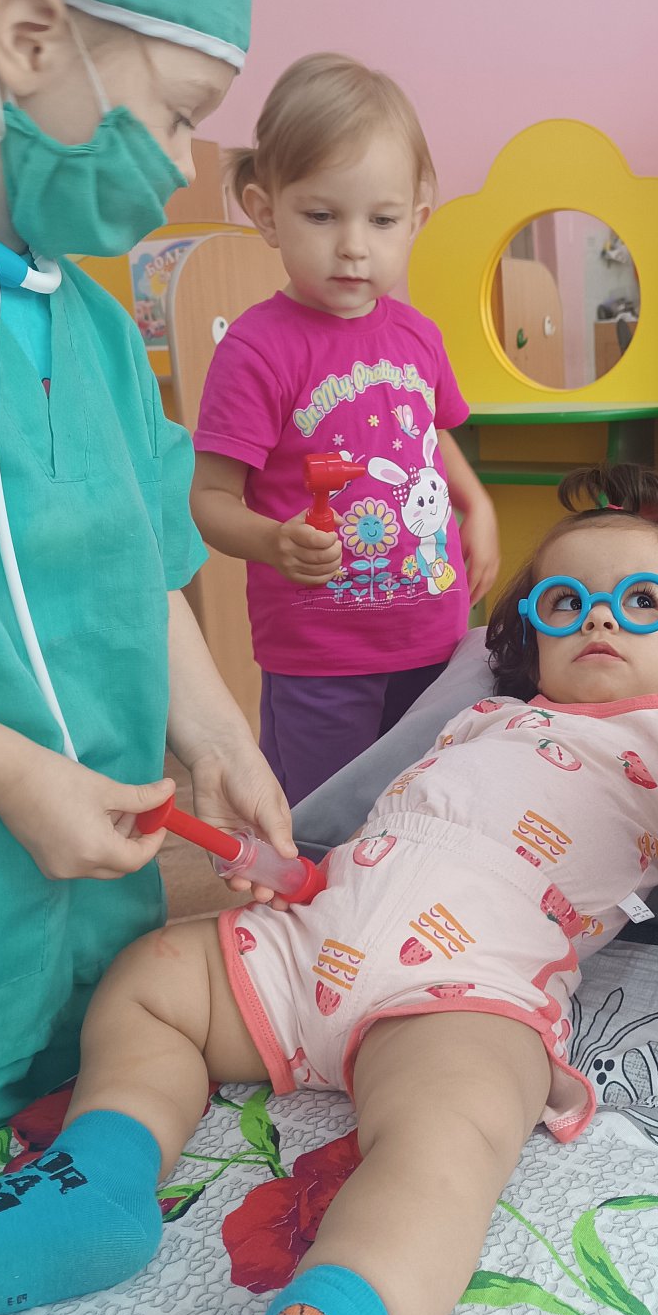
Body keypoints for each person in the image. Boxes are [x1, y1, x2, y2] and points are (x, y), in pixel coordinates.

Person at [0, 464, 658, 1315]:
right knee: (151, 979)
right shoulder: (478, 718)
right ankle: (98, 1176)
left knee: (449, 1145)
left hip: (462, 997)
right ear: (529, 642)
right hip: (311, 947)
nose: (598, 619)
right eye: (565, 603)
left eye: (639, 602)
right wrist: (303, 876)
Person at [0, 0, 294, 1192]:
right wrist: (17, 777)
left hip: (89, 942)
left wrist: (215, 729)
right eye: (179, 111)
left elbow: (142, 564)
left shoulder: (85, 324)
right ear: (28, 39)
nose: (187, 164)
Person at [190, 53, 500, 808]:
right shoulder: (257, 349)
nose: (354, 245)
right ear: (267, 212)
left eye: (382, 220)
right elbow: (208, 499)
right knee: (325, 816)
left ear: (415, 221)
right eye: (322, 216)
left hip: (434, 634)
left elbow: (431, 435)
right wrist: (272, 540)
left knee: (424, 804)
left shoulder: (418, 336)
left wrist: (478, 504)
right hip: (320, 654)